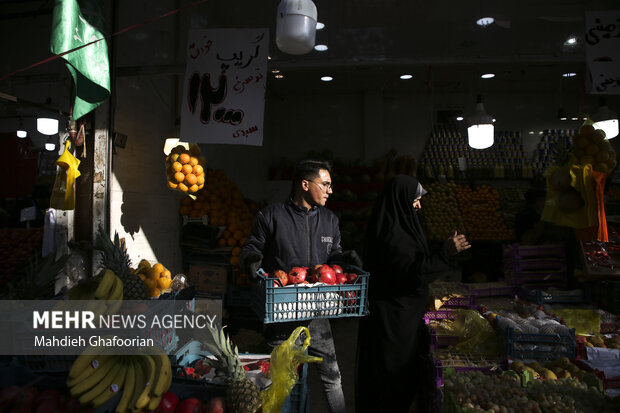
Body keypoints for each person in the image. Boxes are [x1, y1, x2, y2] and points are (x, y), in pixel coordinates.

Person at [240, 159, 349, 413]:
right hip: (282, 315)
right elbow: (251, 247)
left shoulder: (330, 220)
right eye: (325, 184)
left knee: (332, 378)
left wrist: (344, 265)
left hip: (318, 313)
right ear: (304, 184)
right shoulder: (271, 216)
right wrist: (251, 261)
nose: (330, 190)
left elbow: (335, 255)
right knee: (282, 382)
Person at [355, 175, 470, 413]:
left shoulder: (398, 228)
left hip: (404, 314)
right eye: (415, 200)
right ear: (401, 201)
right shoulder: (393, 238)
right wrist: (445, 254)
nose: (419, 205)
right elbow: (414, 273)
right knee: (391, 376)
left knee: (402, 375)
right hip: (394, 319)